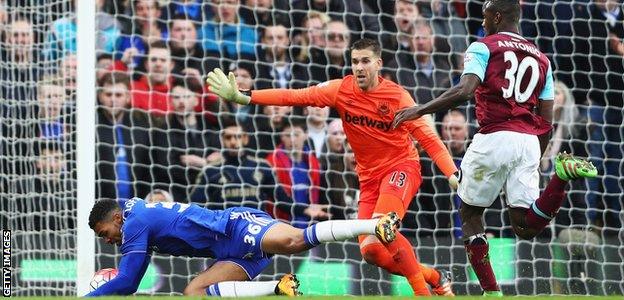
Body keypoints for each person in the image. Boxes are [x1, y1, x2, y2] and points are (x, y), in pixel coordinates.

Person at [206, 38, 458, 296]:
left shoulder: (398, 98)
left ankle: (424, 293)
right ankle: (435, 276)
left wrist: (451, 172)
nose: (359, 67)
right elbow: (295, 96)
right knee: (371, 251)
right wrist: (245, 97)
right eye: (355, 62)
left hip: (401, 167)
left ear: (378, 64)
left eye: (365, 61)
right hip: (369, 178)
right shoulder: (341, 90)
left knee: (384, 225)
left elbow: (429, 139)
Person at [391, 0, 598, 295]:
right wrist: (536, 156)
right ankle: (561, 178)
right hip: (528, 141)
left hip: (494, 136)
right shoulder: (543, 59)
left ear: (497, 16)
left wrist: (420, 109)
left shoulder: (483, 46)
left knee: (470, 213)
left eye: (486, 16)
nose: (483, 21)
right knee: (526, 225)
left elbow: (465, 90)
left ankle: (491, 291)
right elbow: (547, 119)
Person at [85, 198, 400, 296]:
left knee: (294, 241)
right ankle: (278, 287)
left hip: (234, 226)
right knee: (194, 293)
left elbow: (126, 282)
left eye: (104, 232)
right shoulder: (134, 214)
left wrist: (89, 296)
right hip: (230, 252)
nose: (107, 239)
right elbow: (129, 284)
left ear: (116, 218)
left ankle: (374, 225)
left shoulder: (136, 220)